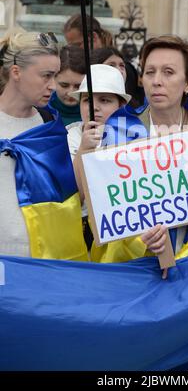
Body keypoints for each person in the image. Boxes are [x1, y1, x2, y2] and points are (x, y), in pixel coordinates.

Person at [90, 35, 188, 264]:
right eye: (150, 72)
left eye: (168, 72)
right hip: (133, 262)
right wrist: (141, 241)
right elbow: (108, 209)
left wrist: (181, 261)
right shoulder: (119, 128)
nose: (157, 81)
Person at [0, 29, 87, 261]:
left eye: (55, 76)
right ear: (16, 72)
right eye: (45, 76)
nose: (52, 86)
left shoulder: (50, 124)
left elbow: (68, 200)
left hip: (41, 259)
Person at [67, 64, 131, 249]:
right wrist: (84, 150)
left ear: (122, 105)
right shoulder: (68, 138)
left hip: (122, 237)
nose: (95, 107)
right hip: (80, 235)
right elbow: (72, 200)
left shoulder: (136, 137)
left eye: (104, 100)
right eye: (87, 100)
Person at [49, 45, 86, 126]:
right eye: (64, 85)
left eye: (78, 86)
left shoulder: (97, 112)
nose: (70, 92)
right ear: (53, 79)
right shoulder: (41, 109)